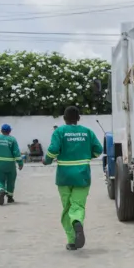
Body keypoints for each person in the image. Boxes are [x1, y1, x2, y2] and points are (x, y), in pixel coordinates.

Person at [43, 106, 103, 250]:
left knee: (67, 207)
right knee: (78, 205)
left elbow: (53, 149)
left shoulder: (59, 132)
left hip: (64, 176)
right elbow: (99, 150)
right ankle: (77, 220)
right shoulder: (87, 132)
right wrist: (87, 156)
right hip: (82, 175)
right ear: (78, 118)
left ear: (64, 118)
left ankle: (71, 241)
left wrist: (47, 160)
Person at [0, 124, 23, 205]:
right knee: (11, 180)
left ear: (1, 131)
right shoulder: (12, 140)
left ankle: (1, 190)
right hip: (10, 164)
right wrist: (20, 163)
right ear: (9, 131)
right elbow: (16, 152)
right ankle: (10, 197)